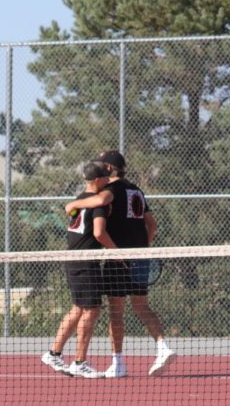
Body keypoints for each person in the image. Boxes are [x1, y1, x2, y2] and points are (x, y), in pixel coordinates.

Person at [64, 150, 174, 377]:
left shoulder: (109, 191)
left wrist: (73, 204)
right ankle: (163, 347)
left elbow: (99, 205)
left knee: (116, 312)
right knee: (142, 307)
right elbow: (152, 225)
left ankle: (118, 363)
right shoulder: (138, 190)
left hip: (118, 257)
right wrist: (143, 247)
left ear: (108, 169)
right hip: (140, 256)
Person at [41, 162, 119, 379]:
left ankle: (53, 353)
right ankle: (79, 361)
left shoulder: (80, 198)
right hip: (85, 260)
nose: (109, 180)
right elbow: (99, 233)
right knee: (92, 310)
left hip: (74, 259)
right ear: (97, 180)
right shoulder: (97, 204)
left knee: (78, 308)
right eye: (105, 177)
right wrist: (117, 252)